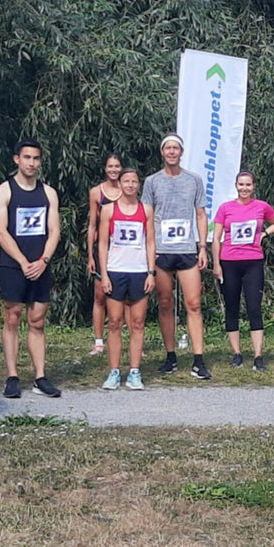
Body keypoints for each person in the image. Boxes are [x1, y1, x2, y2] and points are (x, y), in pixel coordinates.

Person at [0, 139, 62, 398]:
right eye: (27, 158)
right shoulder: (3, 191)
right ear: (16, 159)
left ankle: (40, 377)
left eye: (36, 158)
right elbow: (0, 231)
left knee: (37, 321)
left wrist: (43, 261)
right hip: (14, 264)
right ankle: (12, 376)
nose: (32, 163)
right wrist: (22, 261)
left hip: (40, 264)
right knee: (12, 317)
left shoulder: (49, 193)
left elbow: (54, 231)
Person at [143, 134, 212, 380]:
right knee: (165, 303)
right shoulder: (151, 181)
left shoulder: (194, 180)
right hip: (162, 251)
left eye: (176, 148)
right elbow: (147, 217)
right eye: (168, 148)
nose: (172, 152)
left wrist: (202, 247)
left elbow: (201, 215)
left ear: (181, 152)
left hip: (187, 251)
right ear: (162, 152)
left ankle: (198, 360)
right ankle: (170, 356)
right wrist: (150, 250)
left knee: (193, 304)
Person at [212, 171, 274, 371]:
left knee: (254, 307)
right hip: (229, 262)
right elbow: (216, 239)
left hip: (253, 262)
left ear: (254, 186)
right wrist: (216, 265)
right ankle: (236, 354)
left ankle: (258, 356)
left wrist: (264, 233)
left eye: (248, 185)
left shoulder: (261, 206)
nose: (244, 188)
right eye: (241, 184)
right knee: (232, 307)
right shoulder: (225, 208)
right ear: (236, 186)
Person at [97, 167, 156, 390]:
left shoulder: (146, 210)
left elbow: (150, 242)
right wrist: (104, 274)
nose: (130, 185)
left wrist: (151, 272)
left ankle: (134, 372)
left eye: (134, 181)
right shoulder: (108, 210)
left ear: (138, 185)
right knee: (114, 322)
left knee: (138, 323)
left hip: (139, 271)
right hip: (115, 270)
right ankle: (114, 372)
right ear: (119, 184)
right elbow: (102, 243)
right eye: (126, 181)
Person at [86, 153, 123, 356]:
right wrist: (90, 256)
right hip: (102, 247)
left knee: (126, 297)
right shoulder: (96, 192)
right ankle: (99, 341)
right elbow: (92, 225)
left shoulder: (128, 189)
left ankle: (127, 337)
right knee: (100, 295)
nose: (114, 170)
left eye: (117, 166)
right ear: (105, 168)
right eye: (110, 166)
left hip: (124, 248)